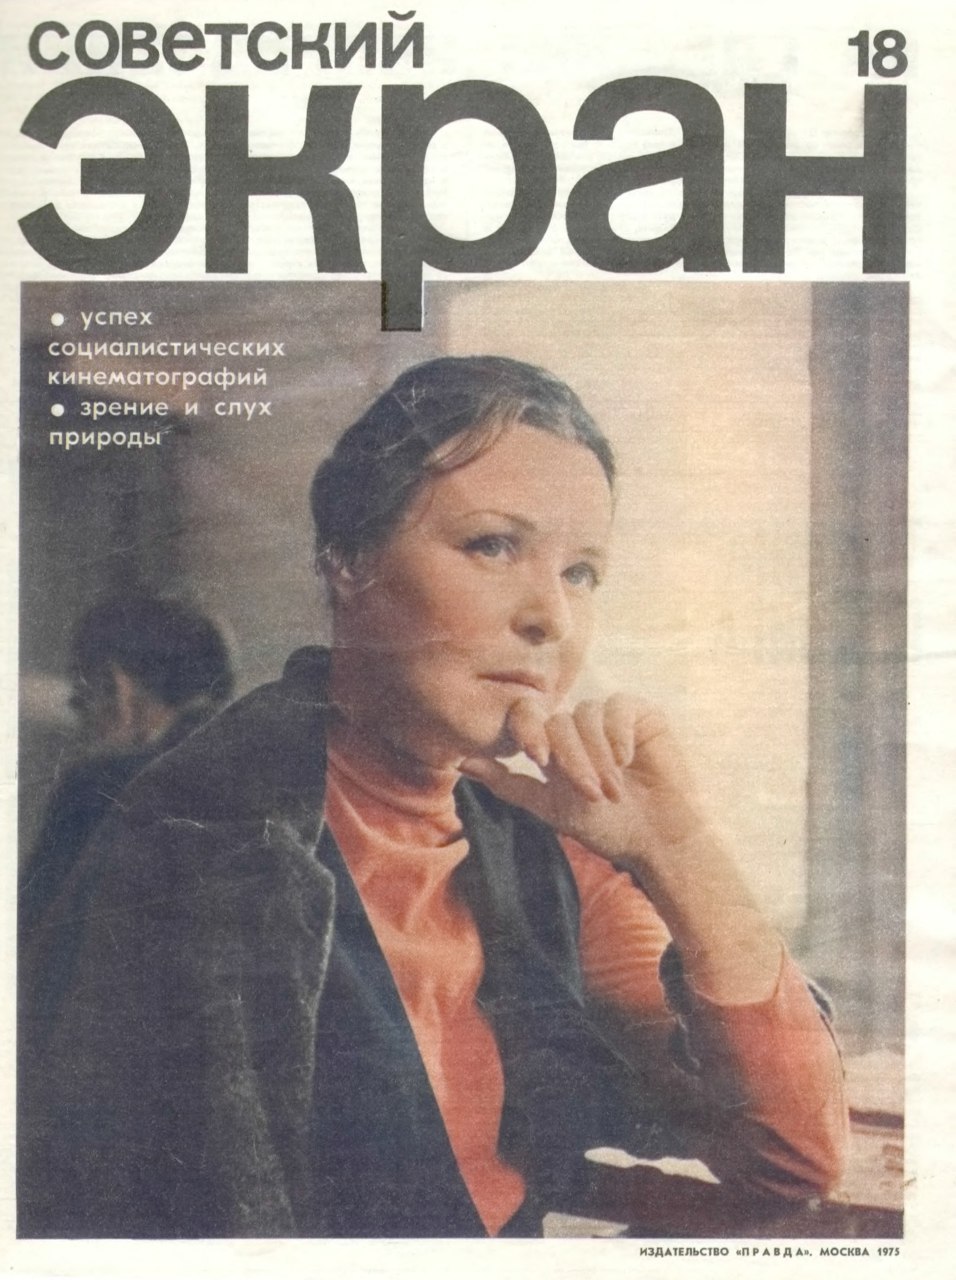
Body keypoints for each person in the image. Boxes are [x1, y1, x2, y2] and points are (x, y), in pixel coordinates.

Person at [18, 357, 847, 1239]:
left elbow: (792, 1157)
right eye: (493, 545)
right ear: (348, 560)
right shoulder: (184, 833)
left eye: (581, 572)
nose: (552, 617)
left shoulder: (541, 842)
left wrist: (676, 848)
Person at [19, 593, 235, 937]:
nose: (76, 711)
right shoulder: (248, 774)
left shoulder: (91, 789)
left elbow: (28, 931)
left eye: (81, 691)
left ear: (117, 684)